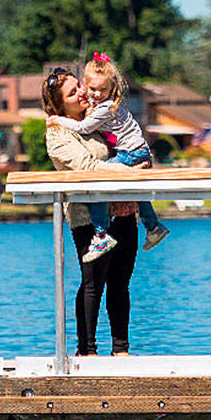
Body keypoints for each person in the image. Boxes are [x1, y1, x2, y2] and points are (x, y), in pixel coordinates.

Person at [42, 66, 146, 357]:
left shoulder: (99, 116)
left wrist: (138, 170)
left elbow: (129, 144)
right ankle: (86, 351)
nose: (83, 93)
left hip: (123, 210)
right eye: (73, 92)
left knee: (120, 283)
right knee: (93, 283)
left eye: (80, 86)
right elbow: (87, 167)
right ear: (60, 105)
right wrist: (129, 174)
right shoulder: (58, 133)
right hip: (89, 219)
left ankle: (121, 350)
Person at [45, 52, 170, 262]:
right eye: (91, 88)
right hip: (137, 151)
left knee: (97, 184)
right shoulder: (104, 106)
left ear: (111, 89)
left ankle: (102, 235)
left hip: (131, 153)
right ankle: (153, 225)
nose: (95, 93)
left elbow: (83, 128)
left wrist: (57, 119)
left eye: (102, 89)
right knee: (132, 185)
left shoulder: (103, 109)